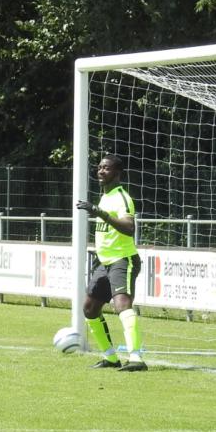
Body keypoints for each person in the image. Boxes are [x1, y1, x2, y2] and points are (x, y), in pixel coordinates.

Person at [76, 154, 146, 371]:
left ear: (117, 173)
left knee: (122, 305)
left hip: (122, 260)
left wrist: (99, 213)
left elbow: (129, 228)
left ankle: (136, 358)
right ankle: (110, 357)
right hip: (104, 262)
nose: (100, 171)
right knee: (89, 308)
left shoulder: (121, 197)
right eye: (99, 167)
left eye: (106, 168)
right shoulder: (104, 197)